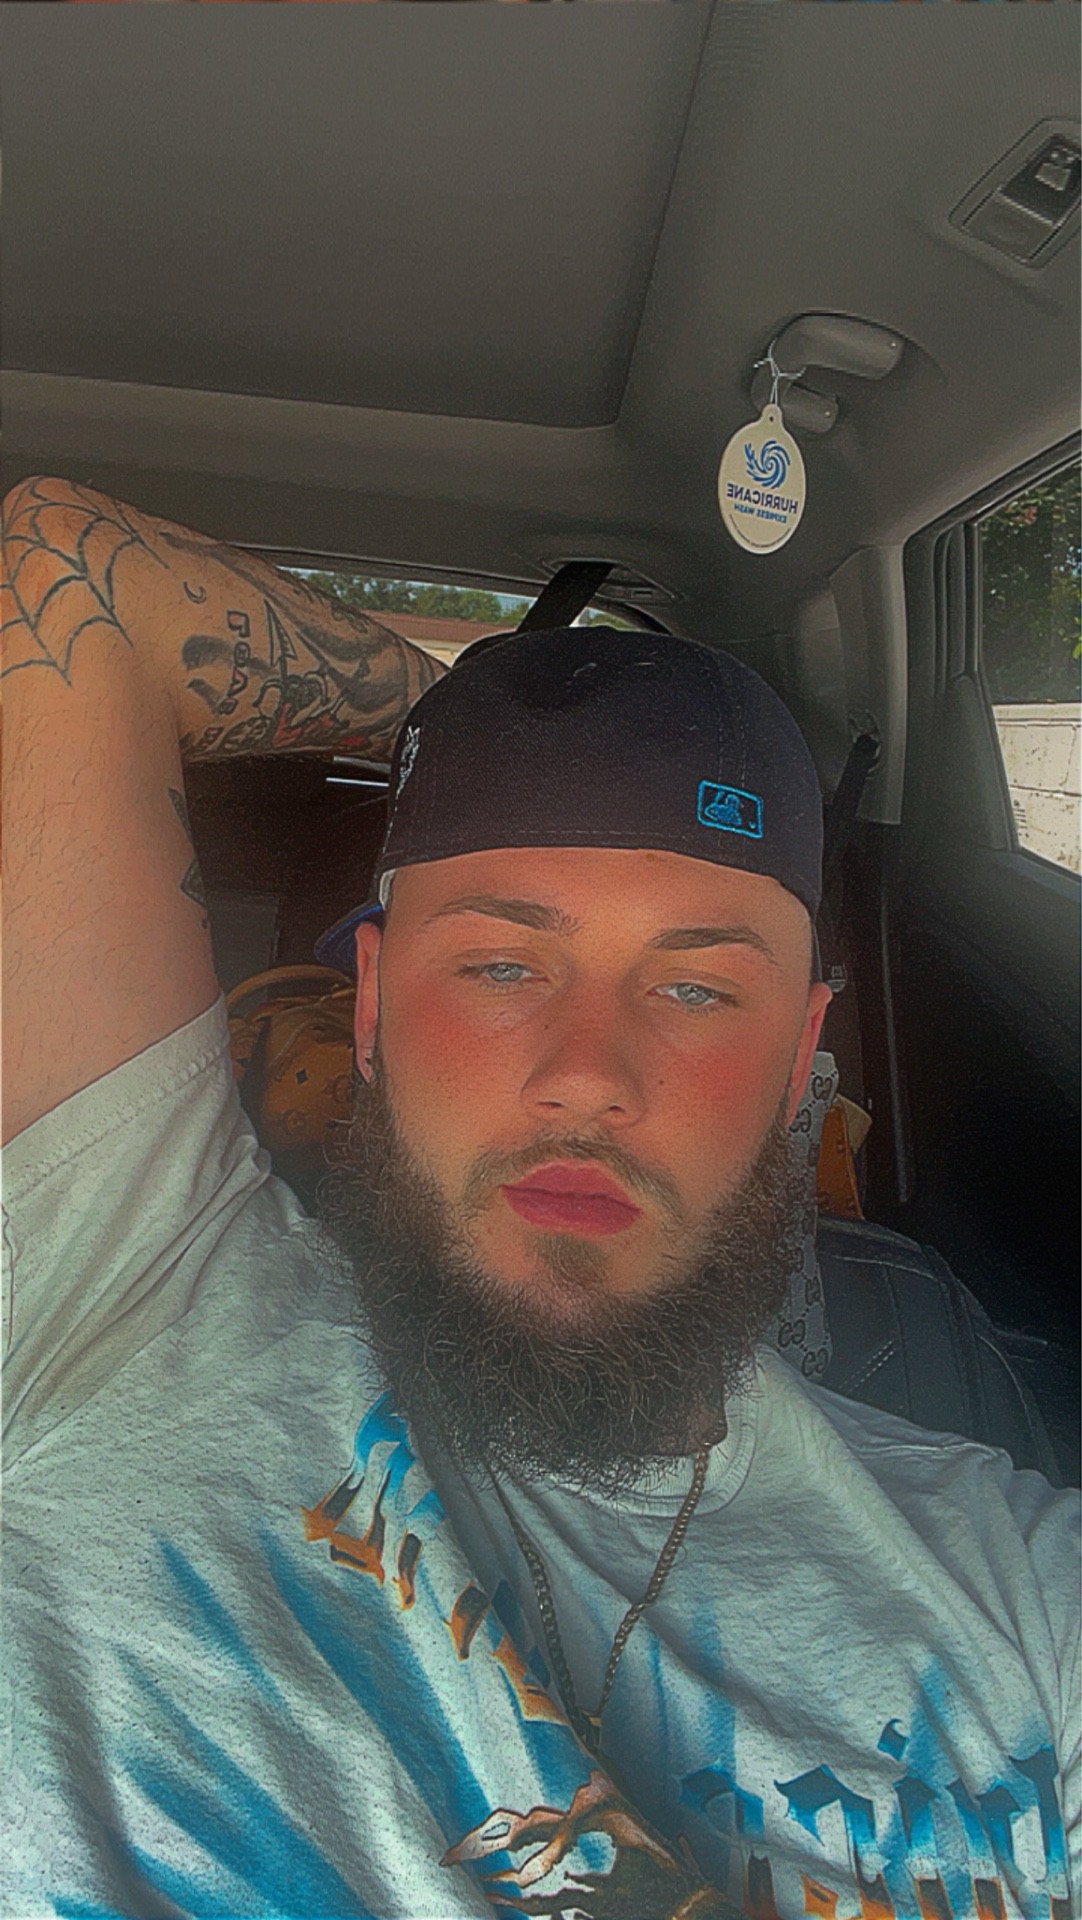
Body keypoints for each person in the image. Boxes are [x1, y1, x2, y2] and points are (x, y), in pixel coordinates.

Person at [2, 476, 1077, 1920]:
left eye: (695, 990)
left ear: (797, 1059)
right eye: (502, 966)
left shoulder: (1021, 1596)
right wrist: (481, 723)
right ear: (368, 1007)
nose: (587, 1077)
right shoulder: (119, 1303)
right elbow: (64, 570)